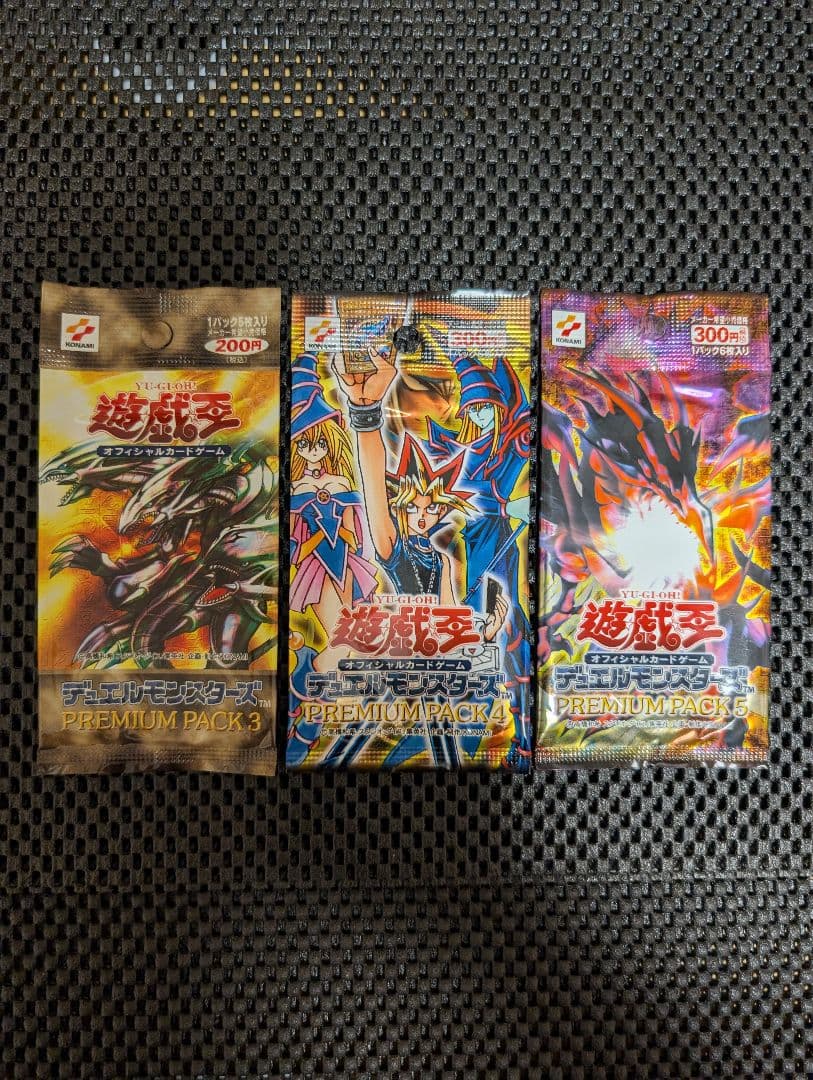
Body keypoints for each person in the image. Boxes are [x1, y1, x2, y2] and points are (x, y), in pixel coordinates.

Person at [289, 353, 378, 672]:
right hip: (314, 565)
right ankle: (312, 683)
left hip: (346, 561)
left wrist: (354, 543)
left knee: (352, 637)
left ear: (331, 443)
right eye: (303, 444)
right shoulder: (295, 487)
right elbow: (295, 540)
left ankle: (330, 688)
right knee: (338, 639)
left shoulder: (341, 481)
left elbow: (356, 530)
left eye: (320, 443)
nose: (313, 451)